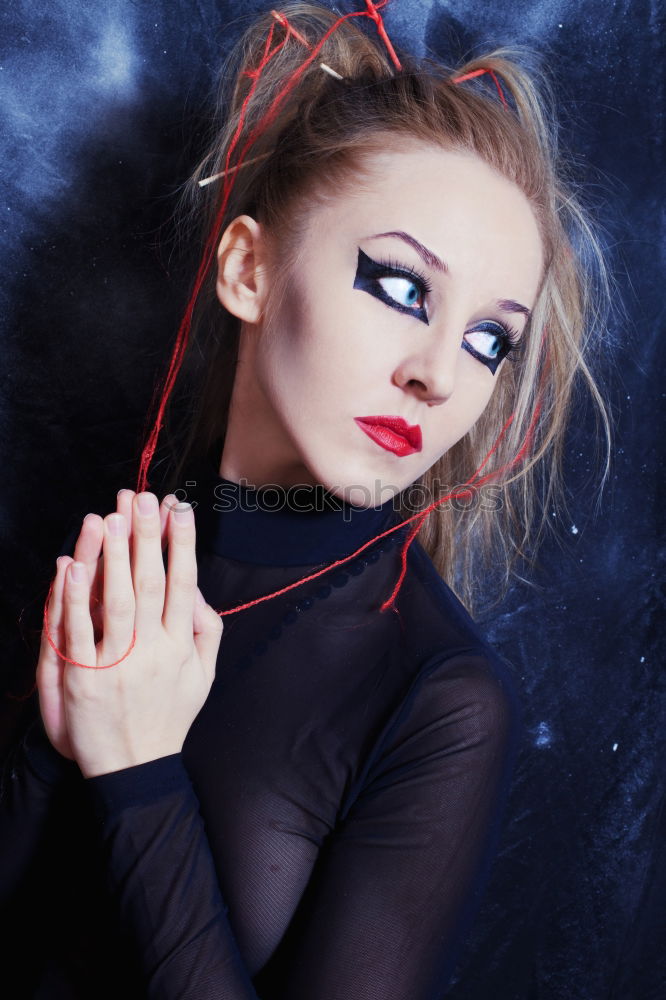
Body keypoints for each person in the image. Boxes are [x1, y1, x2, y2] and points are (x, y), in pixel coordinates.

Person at [0, 2, 612, 997]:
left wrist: (137, 772)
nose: (438, 374)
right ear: (249, 268)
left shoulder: (441, 701)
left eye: (488, 339)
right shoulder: (117, 561)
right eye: (404, 287)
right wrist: (52, 729)